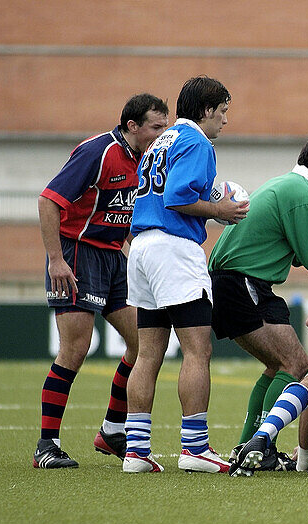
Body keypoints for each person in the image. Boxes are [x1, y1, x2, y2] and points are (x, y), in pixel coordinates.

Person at [33, 93, 170, 469]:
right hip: (78, 252)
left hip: (113, 257)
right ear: (132, 126)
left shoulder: (146, 160)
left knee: (142, 343)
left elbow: (121, 212)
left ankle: (111, 430)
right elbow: (48, 201)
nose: (162, 134)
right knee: (75, 350)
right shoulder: (98, 151)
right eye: (156, 127)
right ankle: (47, 445)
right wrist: (57, 260)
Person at [208, 130, 308, 471]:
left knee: (279, 366)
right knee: (296, 365)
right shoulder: (300, 192)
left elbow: (303, 255)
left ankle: (249, 446)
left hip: (247, 284)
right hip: (241, 283)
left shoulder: (294, 187)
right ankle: (259, 447)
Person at [123, 76, 248, 474]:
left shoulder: (160, 141)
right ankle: (195, 448)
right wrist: (220, 211)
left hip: (142, 247)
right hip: (173, 250)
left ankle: (136, 451)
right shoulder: (197, 141)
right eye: (223, 111)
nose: (225, 120)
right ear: (207, 110)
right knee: (198, 350)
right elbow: (178, 196)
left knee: (148, 354)